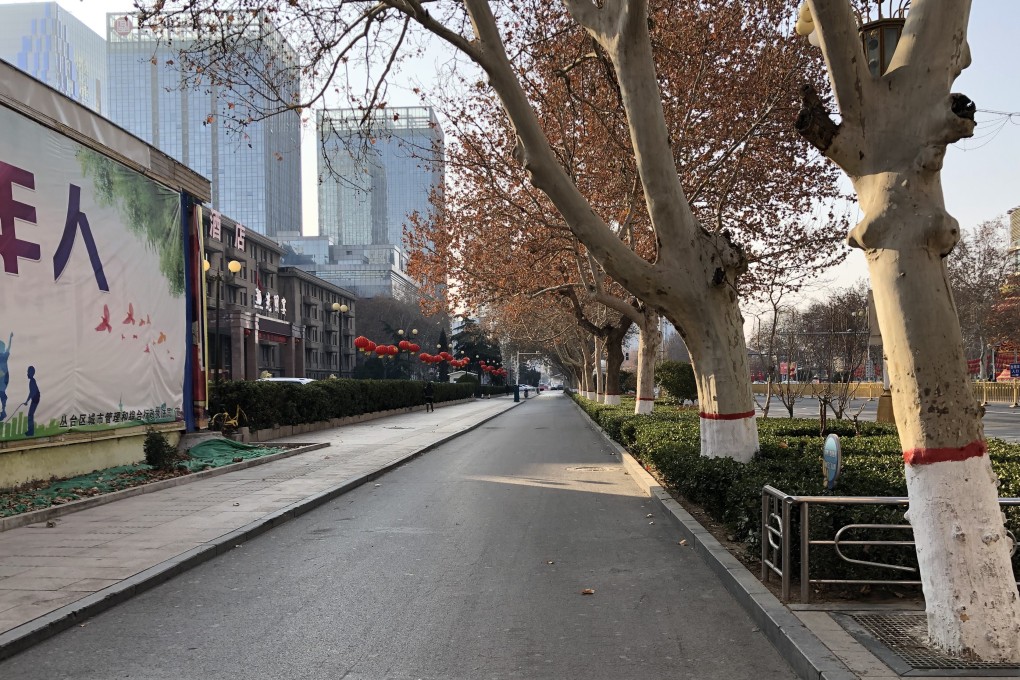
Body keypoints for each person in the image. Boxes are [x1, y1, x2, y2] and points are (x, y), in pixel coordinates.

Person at [23, 365, 40, 436]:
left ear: (31, 373)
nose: (27, 373)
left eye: (28, 372)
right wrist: (27, 401)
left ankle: (31, 432)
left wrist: (27, 401)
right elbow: (31, 392)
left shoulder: (32, 381)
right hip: (35, 398)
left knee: (30, 415)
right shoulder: (32, 381)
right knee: (30, 414)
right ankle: (31, 431)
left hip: (35, 399)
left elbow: (32, 393)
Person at [0, 331, 12, 421]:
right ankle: (3, 411)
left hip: (3, 378)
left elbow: (8, 348)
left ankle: (3, 411)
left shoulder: (4, 355)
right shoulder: (4, 355)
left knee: (2, 394)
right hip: (3, 378)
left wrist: (10, 338)